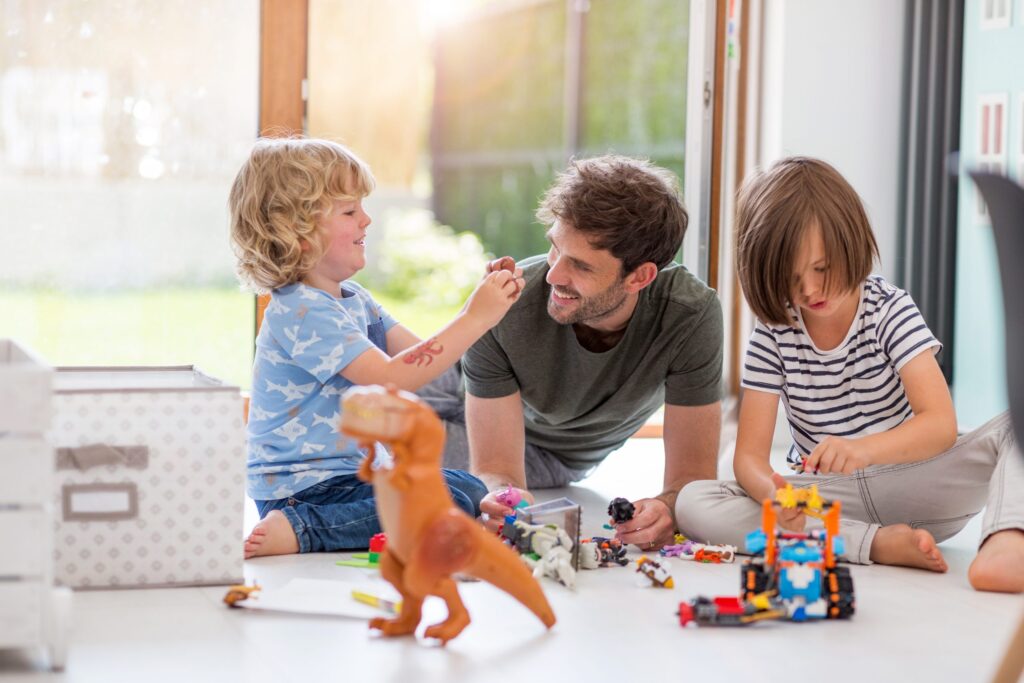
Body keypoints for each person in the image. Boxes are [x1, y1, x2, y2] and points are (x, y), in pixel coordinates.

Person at [675, 156, 1024, 592]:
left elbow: (939, 425)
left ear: (850, 241)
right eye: (791, 277)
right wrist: (777, 496)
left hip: (917, 482)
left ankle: (1009, 539)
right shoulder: (773, 334)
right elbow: (749, 458)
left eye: (821, 268)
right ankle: (872, 544)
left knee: (1014, 428)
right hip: (826, 501)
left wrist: (862, 451)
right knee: (693, 502)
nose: (809, 290)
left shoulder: (889, 310)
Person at [229, 138, 525, 558]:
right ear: (296, 231)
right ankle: (301, 530)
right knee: (448, 499)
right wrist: (475, 317)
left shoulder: (352, 297)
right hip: (305, 490)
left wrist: (479, 305)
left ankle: (451, 510)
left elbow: (425, 357)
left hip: (353, 477)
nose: (366, 220)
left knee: (469, 486)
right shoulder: (300, 309)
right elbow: (394, 377)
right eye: (349, 211)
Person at [421, 155, 724, 551]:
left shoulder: (688, 315)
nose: (553, 276)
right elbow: (493, 469)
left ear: (640, 277)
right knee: (347, 405)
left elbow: (689, 483)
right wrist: (503, 497)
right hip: (454, 380)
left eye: (580, 266)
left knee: (377, 454)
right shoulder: (508, 304)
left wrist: (664, 511)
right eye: (554, 249)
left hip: (548, 453)